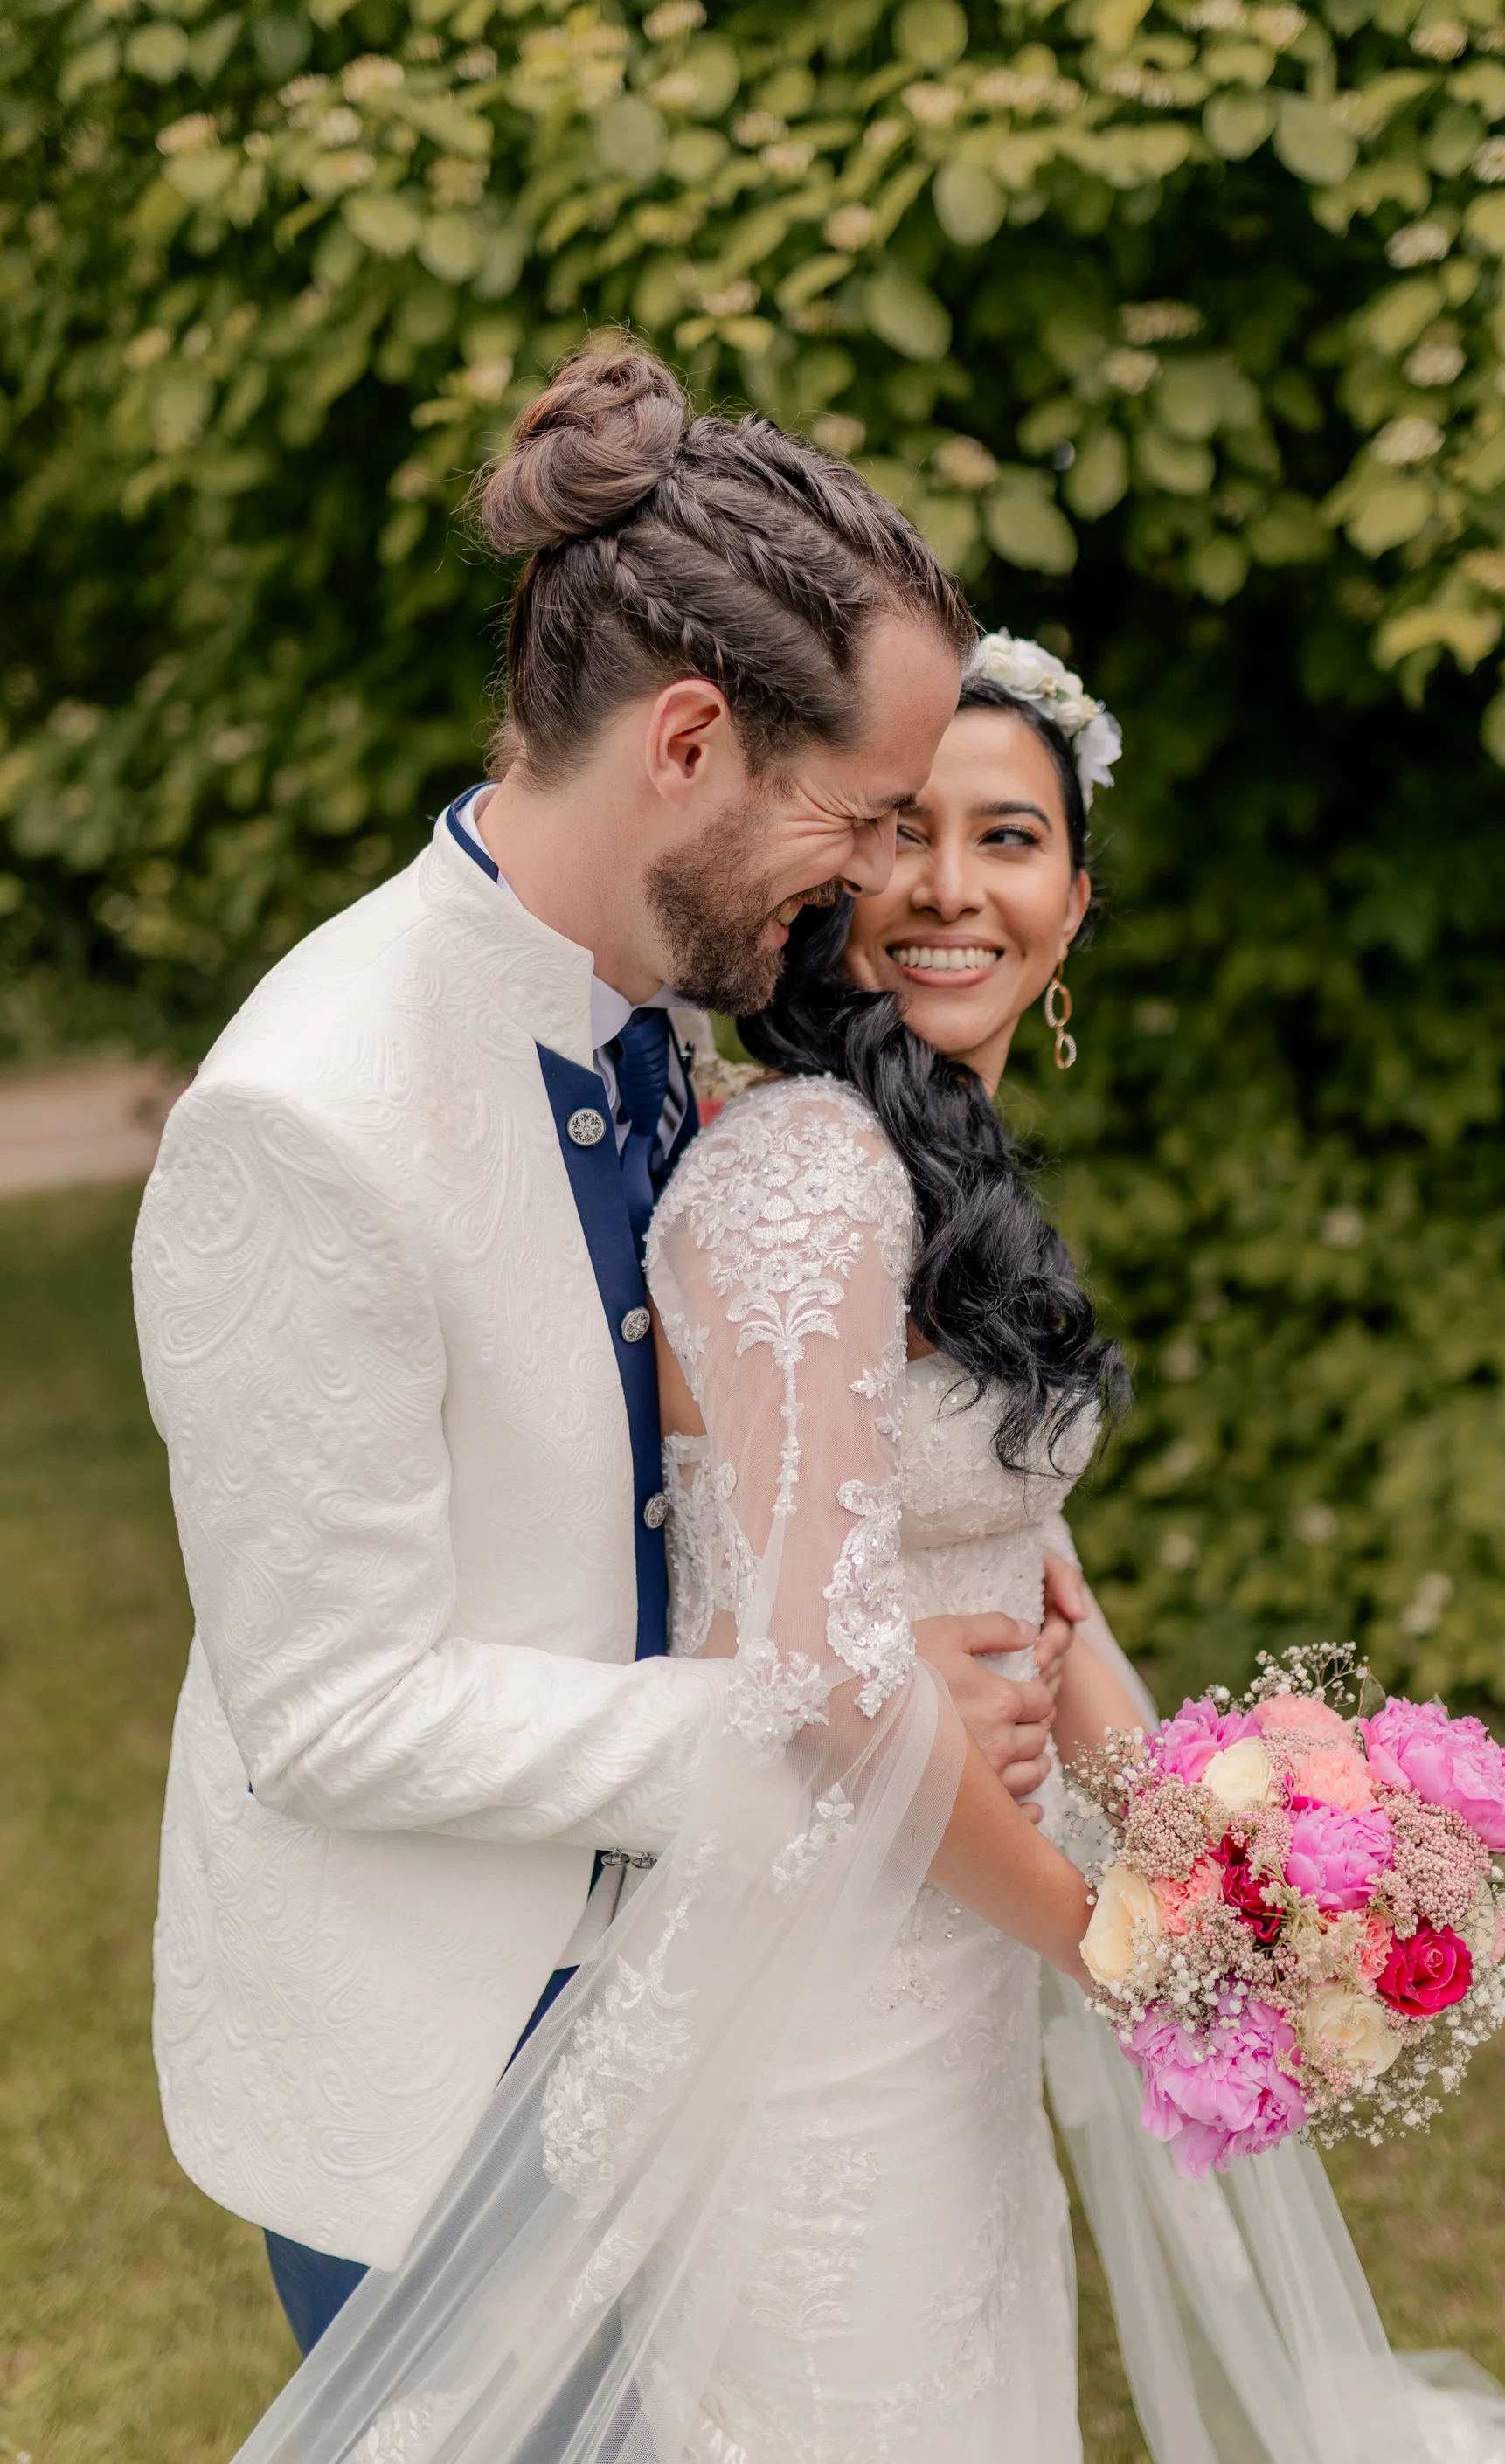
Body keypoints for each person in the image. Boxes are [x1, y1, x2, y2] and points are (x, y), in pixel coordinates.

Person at [219, 619, 1505, 2464]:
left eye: (1009, 839)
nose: (951, 889)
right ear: (827, 875)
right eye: (902, 836)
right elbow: (837, 1679)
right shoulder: (808, 1172)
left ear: (1078, 900)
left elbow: (1041, 1582)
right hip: (817, 1967)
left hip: (947, 1938)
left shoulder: (944, 1172)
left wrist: (1219, 1864)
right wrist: (1114, 1948)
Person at [130, 341, 1084, 2359]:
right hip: (443, 2053)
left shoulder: (661, 994)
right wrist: (822, 1702)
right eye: (855, 815)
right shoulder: (306, 1117)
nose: (876, 878)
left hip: (710, 2009)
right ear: (685, 742)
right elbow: (330, 1711)